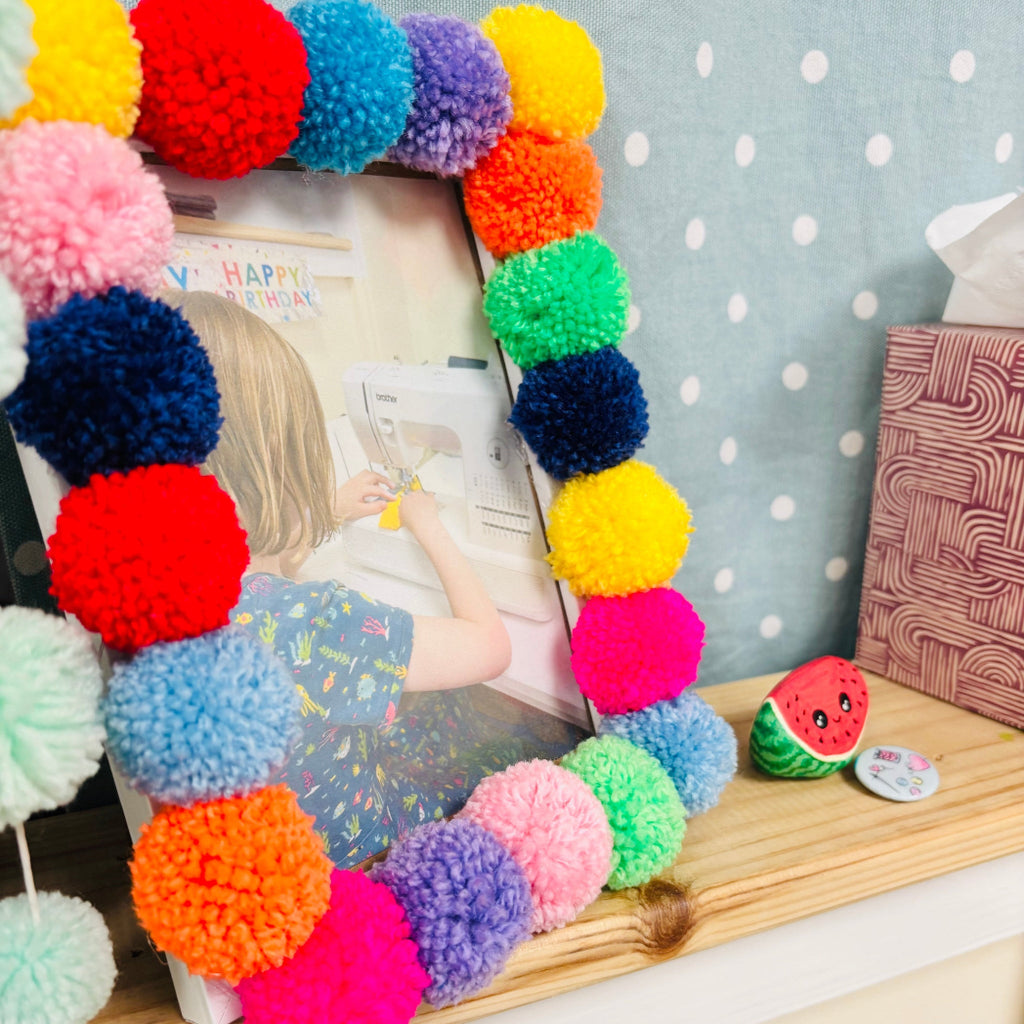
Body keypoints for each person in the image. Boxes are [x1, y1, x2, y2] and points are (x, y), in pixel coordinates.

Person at [165, 290, 520, 864]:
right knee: (487, 739)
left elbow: (260, 557)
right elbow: (491, 647)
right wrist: (429, 525)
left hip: (273, 860)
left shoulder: (166, 600)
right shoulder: (315, 622)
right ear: (282, 453)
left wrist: (323, 510)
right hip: (362, 855)